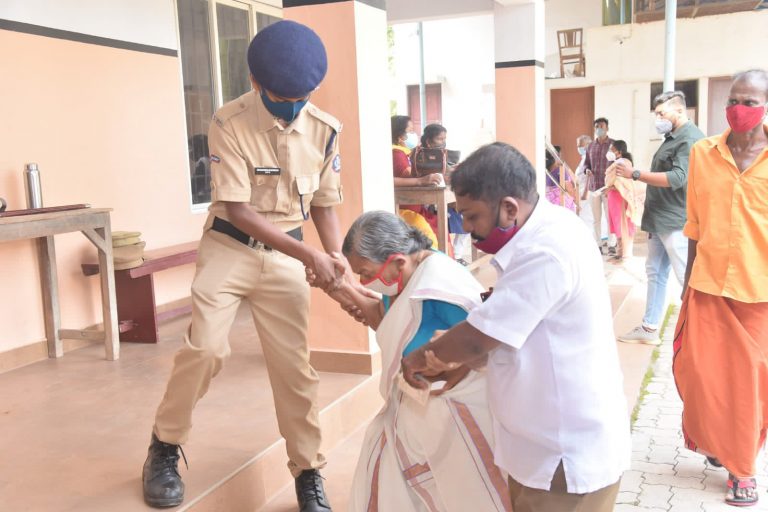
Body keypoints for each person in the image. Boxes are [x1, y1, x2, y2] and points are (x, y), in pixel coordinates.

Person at [142, 21, 345, 512]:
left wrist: (335, 256)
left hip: (287, 258)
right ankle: (164, 448)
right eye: (282, 97)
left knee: (295, 369)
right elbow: (239, 210)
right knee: (206, 349)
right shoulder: (228, 122)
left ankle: (308, 472)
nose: (292, 107)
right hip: (229, 249)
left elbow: (323, 204)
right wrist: (310, 256)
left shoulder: (325, 129)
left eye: (302, 97)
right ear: (256, 83)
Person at [402, 142, 630, 512]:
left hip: (563, 454)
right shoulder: (550, 229)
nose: (469, 230)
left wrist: (420, 359)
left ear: (509, 208)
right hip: (541, 444)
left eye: (472, 216)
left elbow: (478, 341)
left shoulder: (546, 251)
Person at [309, 211, 511, 511]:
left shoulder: (439, 285)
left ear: (397, 261)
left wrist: (444, 372)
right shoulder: (408, 274)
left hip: (451, 412)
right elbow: (387, 319)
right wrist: (338, 288)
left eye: (365, 272)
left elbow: (481, 348)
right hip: (412, 407)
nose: (365, 281)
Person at [673, 69, 768, 508]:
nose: (739, 108)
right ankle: (720, 442)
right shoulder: (702, 153)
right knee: (706, 378)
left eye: (750, 101)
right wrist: (689, 283)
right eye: (734, 99)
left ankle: (743, 468)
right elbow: (693, 224)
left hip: (758, 293)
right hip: (708, 284)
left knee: (749, 384)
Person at [615, 91, 705, 345]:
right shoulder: (672, 137)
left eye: (661, 113)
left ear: (679, 110)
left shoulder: (689, 140)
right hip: (659, 218)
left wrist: (635, 174)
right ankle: (649, 327)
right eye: (656, 114)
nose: (658, 118)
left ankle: (699, 333)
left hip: (675, 221)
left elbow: (678, 178)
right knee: (655, 272)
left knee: (686, 276)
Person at [413, 123, 471, 263]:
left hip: (444, 196)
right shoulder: (417, 154)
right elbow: (417, 175)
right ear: (428, 141)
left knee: (468, 215)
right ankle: (453, 257)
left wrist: (453, 170)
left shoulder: (443, 154)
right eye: (440, 139)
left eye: (444, 138)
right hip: (427, 199)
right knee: (458, 215)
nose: (443, 142)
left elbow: (445, 171)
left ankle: (456, 255)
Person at [391, 115, 442, 249]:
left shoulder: (408, 153)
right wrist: (420, 181)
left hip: (416, 208)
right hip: (405, 210)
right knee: (431, 236)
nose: (414, 134)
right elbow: (407, 175)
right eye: (410, 131)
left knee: (440, 226)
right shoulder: (397, 154)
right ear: (400, 136)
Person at [604, 140, 644, 262]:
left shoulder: (622, 163)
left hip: (619, 197)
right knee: (617, 224)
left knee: (622, 224)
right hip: (615, 196)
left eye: (612, 150)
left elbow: (620, 181)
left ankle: (625, 254)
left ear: (619, 152)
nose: (610, 152)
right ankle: (620, 252)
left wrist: (610, 185)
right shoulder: (618, 162)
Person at [583, 117, 613, 246]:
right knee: (596, 219)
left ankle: (612, 244)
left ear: (607, 128)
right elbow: (586, 164)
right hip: (594, 187)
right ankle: (598, 243)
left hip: (608, 187)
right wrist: (586, 170)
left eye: (601, 126)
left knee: (609, 217)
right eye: (597, 127)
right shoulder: (590, 146)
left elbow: (618, 163)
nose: (599, 129)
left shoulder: (613, 145)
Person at [544, 145, 577, 212]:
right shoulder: (561, 171)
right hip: (561, 207)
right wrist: (575, 198)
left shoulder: (546, 172)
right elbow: (569, 190)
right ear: (556, 157)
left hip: (550, 206)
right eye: (560, 156)